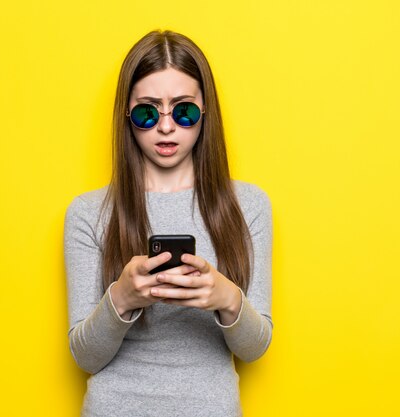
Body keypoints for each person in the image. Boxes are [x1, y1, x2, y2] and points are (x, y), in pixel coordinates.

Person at [63, 29, 273, 417]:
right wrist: (122, 298)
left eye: (183, 110)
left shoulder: (248, 206)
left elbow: (256, 347)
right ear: (127, 116)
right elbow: (85, 357)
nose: (165, 127)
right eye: (147, 111)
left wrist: (225, 298)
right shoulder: (87, 213)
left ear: (204, 112)